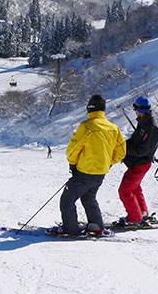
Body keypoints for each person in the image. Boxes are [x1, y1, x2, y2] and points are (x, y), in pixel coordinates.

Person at [59, 95, 126, 237]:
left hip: (85, 171)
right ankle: (96, 226)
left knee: (67, 199)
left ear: (88, 108)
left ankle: (70, 230)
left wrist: (73, 164)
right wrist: (106, 162)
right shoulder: (113, 128)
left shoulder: (86, 126)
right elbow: (121, 152)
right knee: (88, 197)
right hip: (100, 173)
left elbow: (73, 149)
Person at [116, 96, 158, 227]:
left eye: (136, 109)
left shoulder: (151, 127)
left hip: (141, 163)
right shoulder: (143, 122)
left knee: (125, 190)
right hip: (138, 162)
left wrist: (124, 150)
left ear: (140, 110)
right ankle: (142, 212)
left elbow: (142, 150)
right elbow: (136, 141)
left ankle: (134, 218)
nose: (135, 112)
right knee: (134, 188)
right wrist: (122, 145)